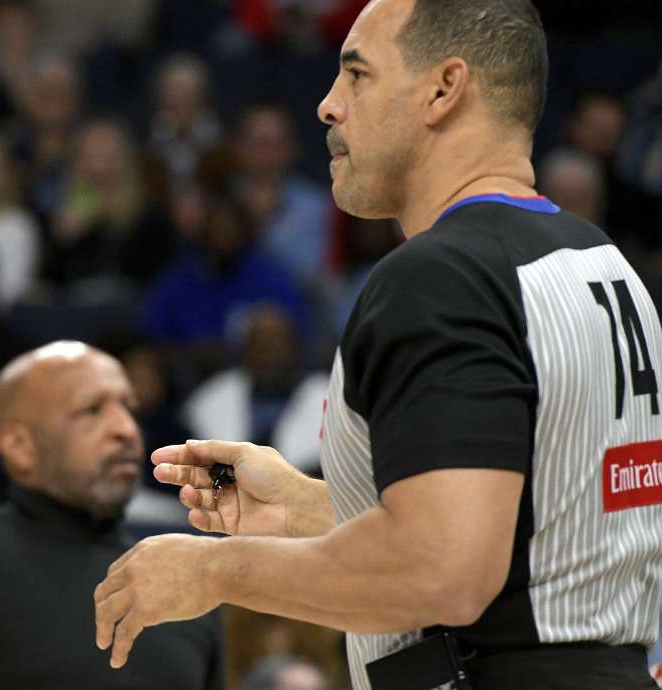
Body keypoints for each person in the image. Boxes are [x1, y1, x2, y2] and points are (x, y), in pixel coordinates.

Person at [94, 1, 662, 689]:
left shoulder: (443, 277)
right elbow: (522, 530)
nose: (328, 105)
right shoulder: (602, 262)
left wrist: (214, 570)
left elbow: (444, 571)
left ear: (444, 89)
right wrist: (301, 509)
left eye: (357, 75)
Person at [0, 341, 223, 690]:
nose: (126, 430)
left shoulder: (183, 589)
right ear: (19, 446)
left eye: (130, 409)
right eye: (92, 410)